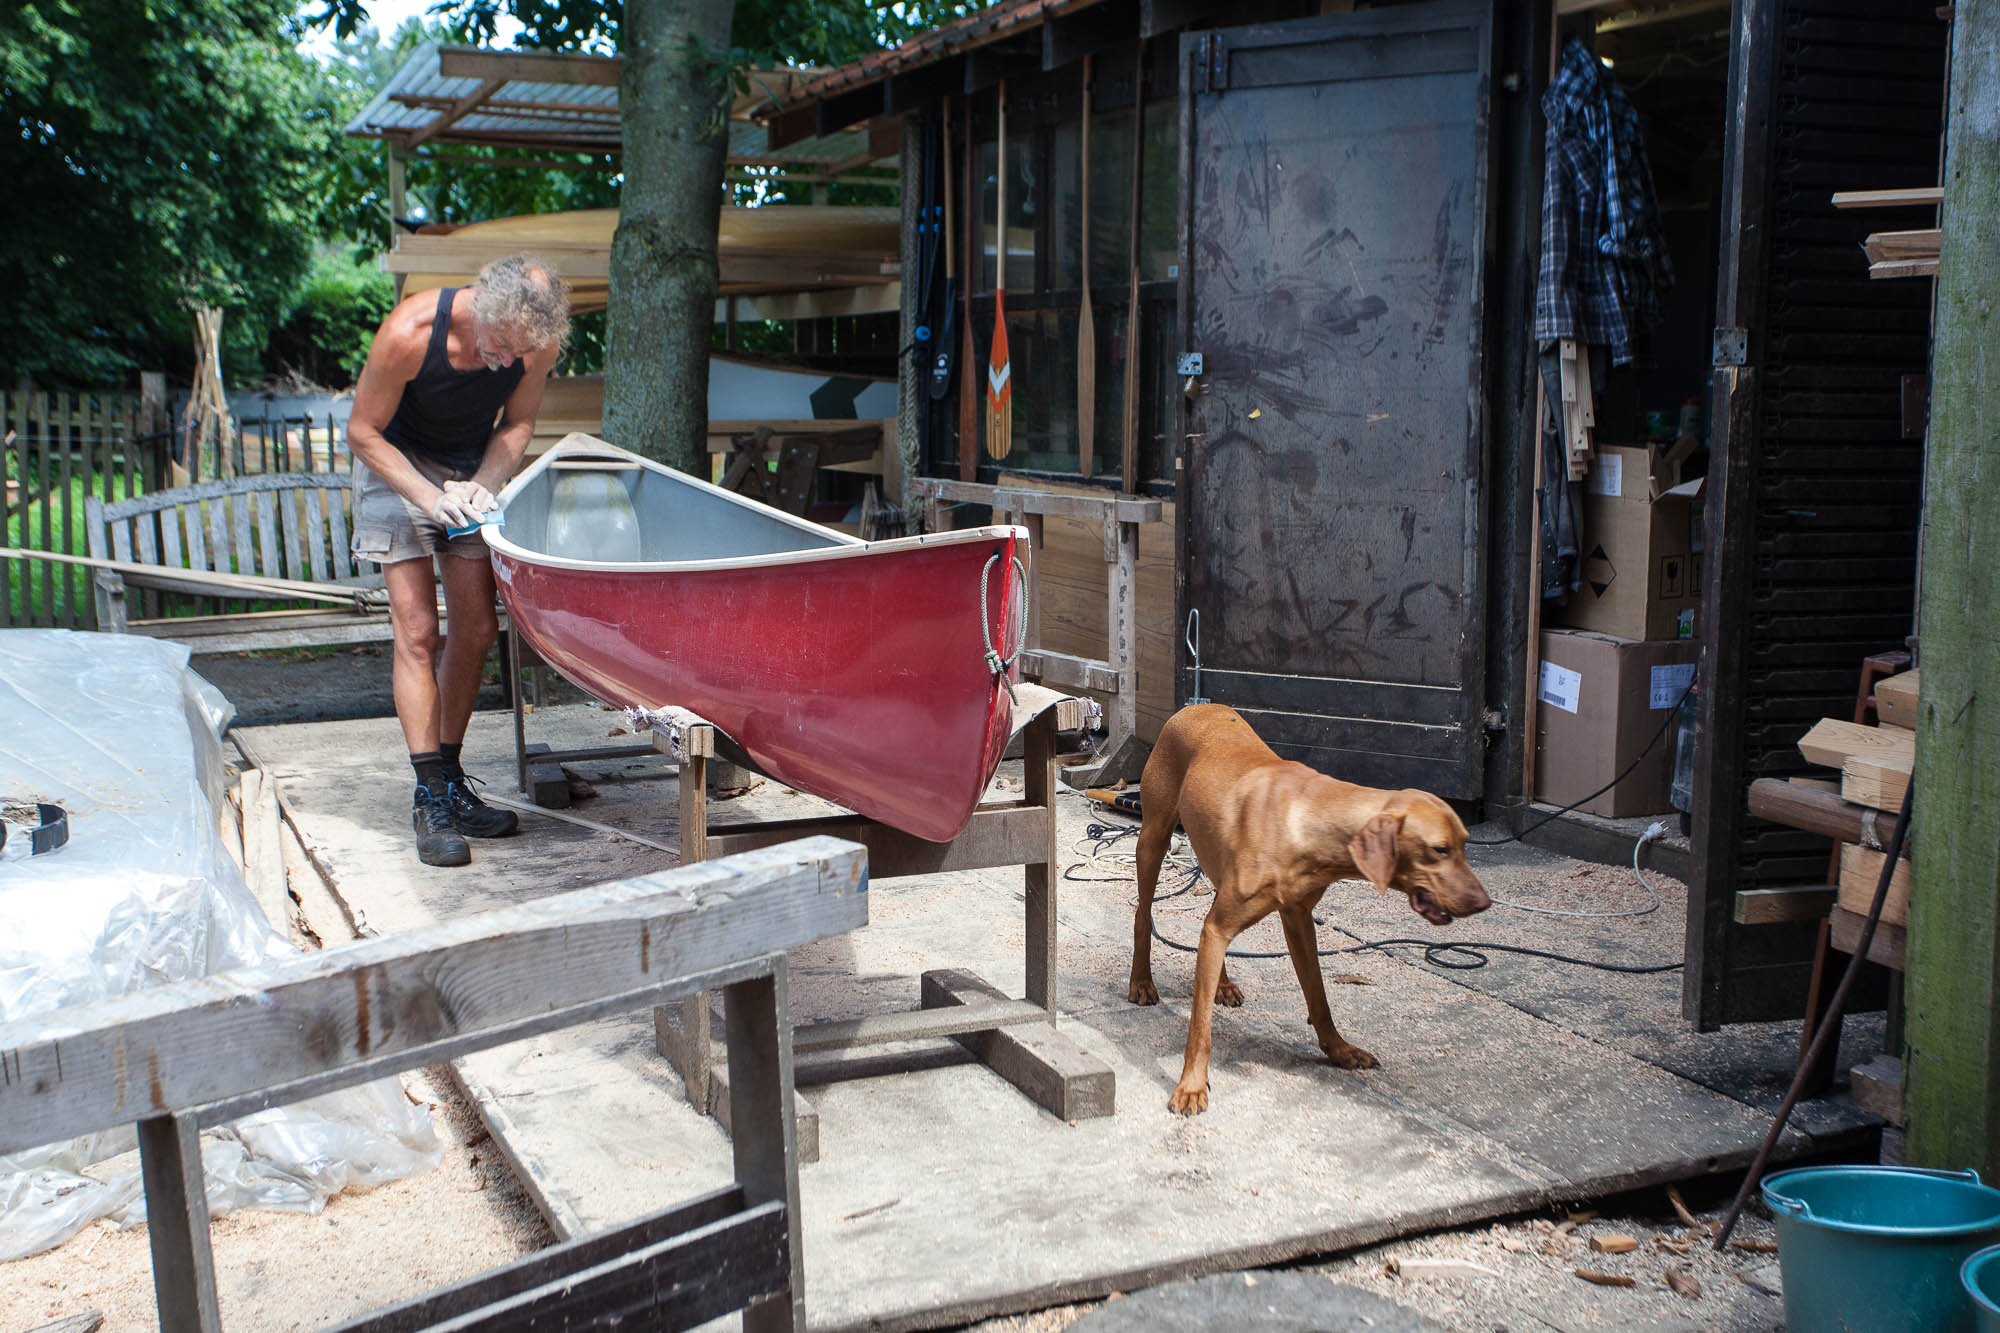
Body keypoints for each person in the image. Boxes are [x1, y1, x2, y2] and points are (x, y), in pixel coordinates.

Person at [346, 254, 570, 866]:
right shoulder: (409, 333)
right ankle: (429, 798)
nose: (506, 362)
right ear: (479, 310)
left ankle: (450, 779)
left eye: (518, 353)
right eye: (499, 348)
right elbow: (362, 431)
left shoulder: (531, 344)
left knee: (474, 630)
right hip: (394, 466)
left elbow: (518, 424)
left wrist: (484, 485)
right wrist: (426, 497)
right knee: (420, 630)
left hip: (468, 470)